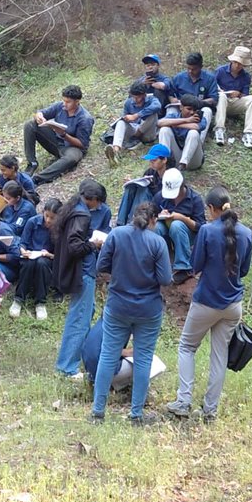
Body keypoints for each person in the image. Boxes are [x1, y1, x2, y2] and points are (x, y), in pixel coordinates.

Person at [167, 186, 252, 420]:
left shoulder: (207, 231)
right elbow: (243, 270)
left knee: (186, 347)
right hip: (233, 305)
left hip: (206, 301)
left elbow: (195, 265)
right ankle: (210, 410)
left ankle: (184, 401)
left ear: (211, 209)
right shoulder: (246, 233)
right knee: (219, 356)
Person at [90, 202, 173, 424]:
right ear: (154, 219)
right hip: (148, 309)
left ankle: (98, 411)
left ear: (133, 216)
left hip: (118, 305)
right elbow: (165, 279)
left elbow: (101, 266)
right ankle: (136, 414)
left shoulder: (116, 235)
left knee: (108, 355)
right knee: (143, 357)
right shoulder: (158, 242)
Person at [53, 180, 109, 378]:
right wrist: (94, 244)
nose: (99, 207)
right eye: (98, 202)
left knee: (84, 313)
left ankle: (74, 360)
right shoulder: (83, 215)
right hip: (83, 272)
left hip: (79, 272)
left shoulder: (72, 209)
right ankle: (67, 367)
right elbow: (75, 246)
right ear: (92, 199)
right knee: (79, 320)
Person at [23, 85, 95, 186]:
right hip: (56, 140)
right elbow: (42, 112)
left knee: (71, 158)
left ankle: (38, 179)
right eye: (64, 101)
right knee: (30, 125)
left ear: (77, 101)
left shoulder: (85, 118)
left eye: (68, 102)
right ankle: (32, 164)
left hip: (72, 147)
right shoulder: (60, 106)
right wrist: (39, 116)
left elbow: (82, 144)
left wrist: (64, 134)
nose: (65, 104)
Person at [81, 315, 168, 391]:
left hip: (91, 372)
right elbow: (114, 350)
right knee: (154, 361)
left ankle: (114, 386)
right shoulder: (120, 326)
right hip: (104, 370)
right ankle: (138, 390)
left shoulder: (102, 324)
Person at [7, 198, 60, 320]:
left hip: (46, 258)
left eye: (52, 218)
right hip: (30, 255)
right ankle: (19, 299)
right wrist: (23, 251)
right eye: (46, 216)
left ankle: (40, 302)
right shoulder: (32, 222)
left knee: (41, 263)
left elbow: (59, 254)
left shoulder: (59, 229)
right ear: (43, 212)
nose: (48, 220)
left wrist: (48, 254)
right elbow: (23, 242)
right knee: (29, 263)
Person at [154, 169, 206, 285]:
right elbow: (151, 216)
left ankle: (184, 266)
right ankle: (162, 260)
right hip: (166, 230)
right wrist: (159, 216)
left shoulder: (194, 199)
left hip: (187, 234)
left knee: (177, 225)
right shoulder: (160, 197)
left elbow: (201, 227)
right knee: (157, 227)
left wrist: (183, 218)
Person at [105, 81, 162, 166]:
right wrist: (127, 119)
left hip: (147, 133)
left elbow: (157, 106)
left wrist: (137, 115)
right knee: (121, 122)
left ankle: (138, 140)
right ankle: (116, 150)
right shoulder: (128, 103)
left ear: (144, 95)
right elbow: (124, 117)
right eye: (133, 97)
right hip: (133, 131)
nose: (135, 100)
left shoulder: (152, 100)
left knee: (153, 114)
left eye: (138, 97)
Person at [214, 45, 252, 148]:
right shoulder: (221, 71)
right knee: (221, 96)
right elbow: (212, 86)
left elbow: (245, 94)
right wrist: (220, 90)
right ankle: (219, 129)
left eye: (241, 64)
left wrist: (238, 94)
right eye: (236, 63)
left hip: (235, 103)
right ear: (232, 61)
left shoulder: (246, 76)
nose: (238, 66)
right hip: (221, 102)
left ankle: (249, 133)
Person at [116, 144, 171, 226]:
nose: (151, 163)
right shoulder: (150, 172)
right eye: (150, 161)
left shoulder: (172, 175)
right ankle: (120, 222)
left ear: (164, 160)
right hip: (145, 202)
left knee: (143, 190)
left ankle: (132, 222)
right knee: (131, 187)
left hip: (159, 205)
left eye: (154, 160)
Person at [156, 94, 209, 171]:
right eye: (189, 109)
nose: (192, 112)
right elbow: (159, 123)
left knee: (193, 133)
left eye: (194, 110)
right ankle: (164, 161)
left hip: (193, 160)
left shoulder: (199, 118)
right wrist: (186, 120)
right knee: (164, 130)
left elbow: (196, 127)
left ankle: (182, 165)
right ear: (181, 107)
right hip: (176, 156)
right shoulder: (174, 116)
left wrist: (173, 124)